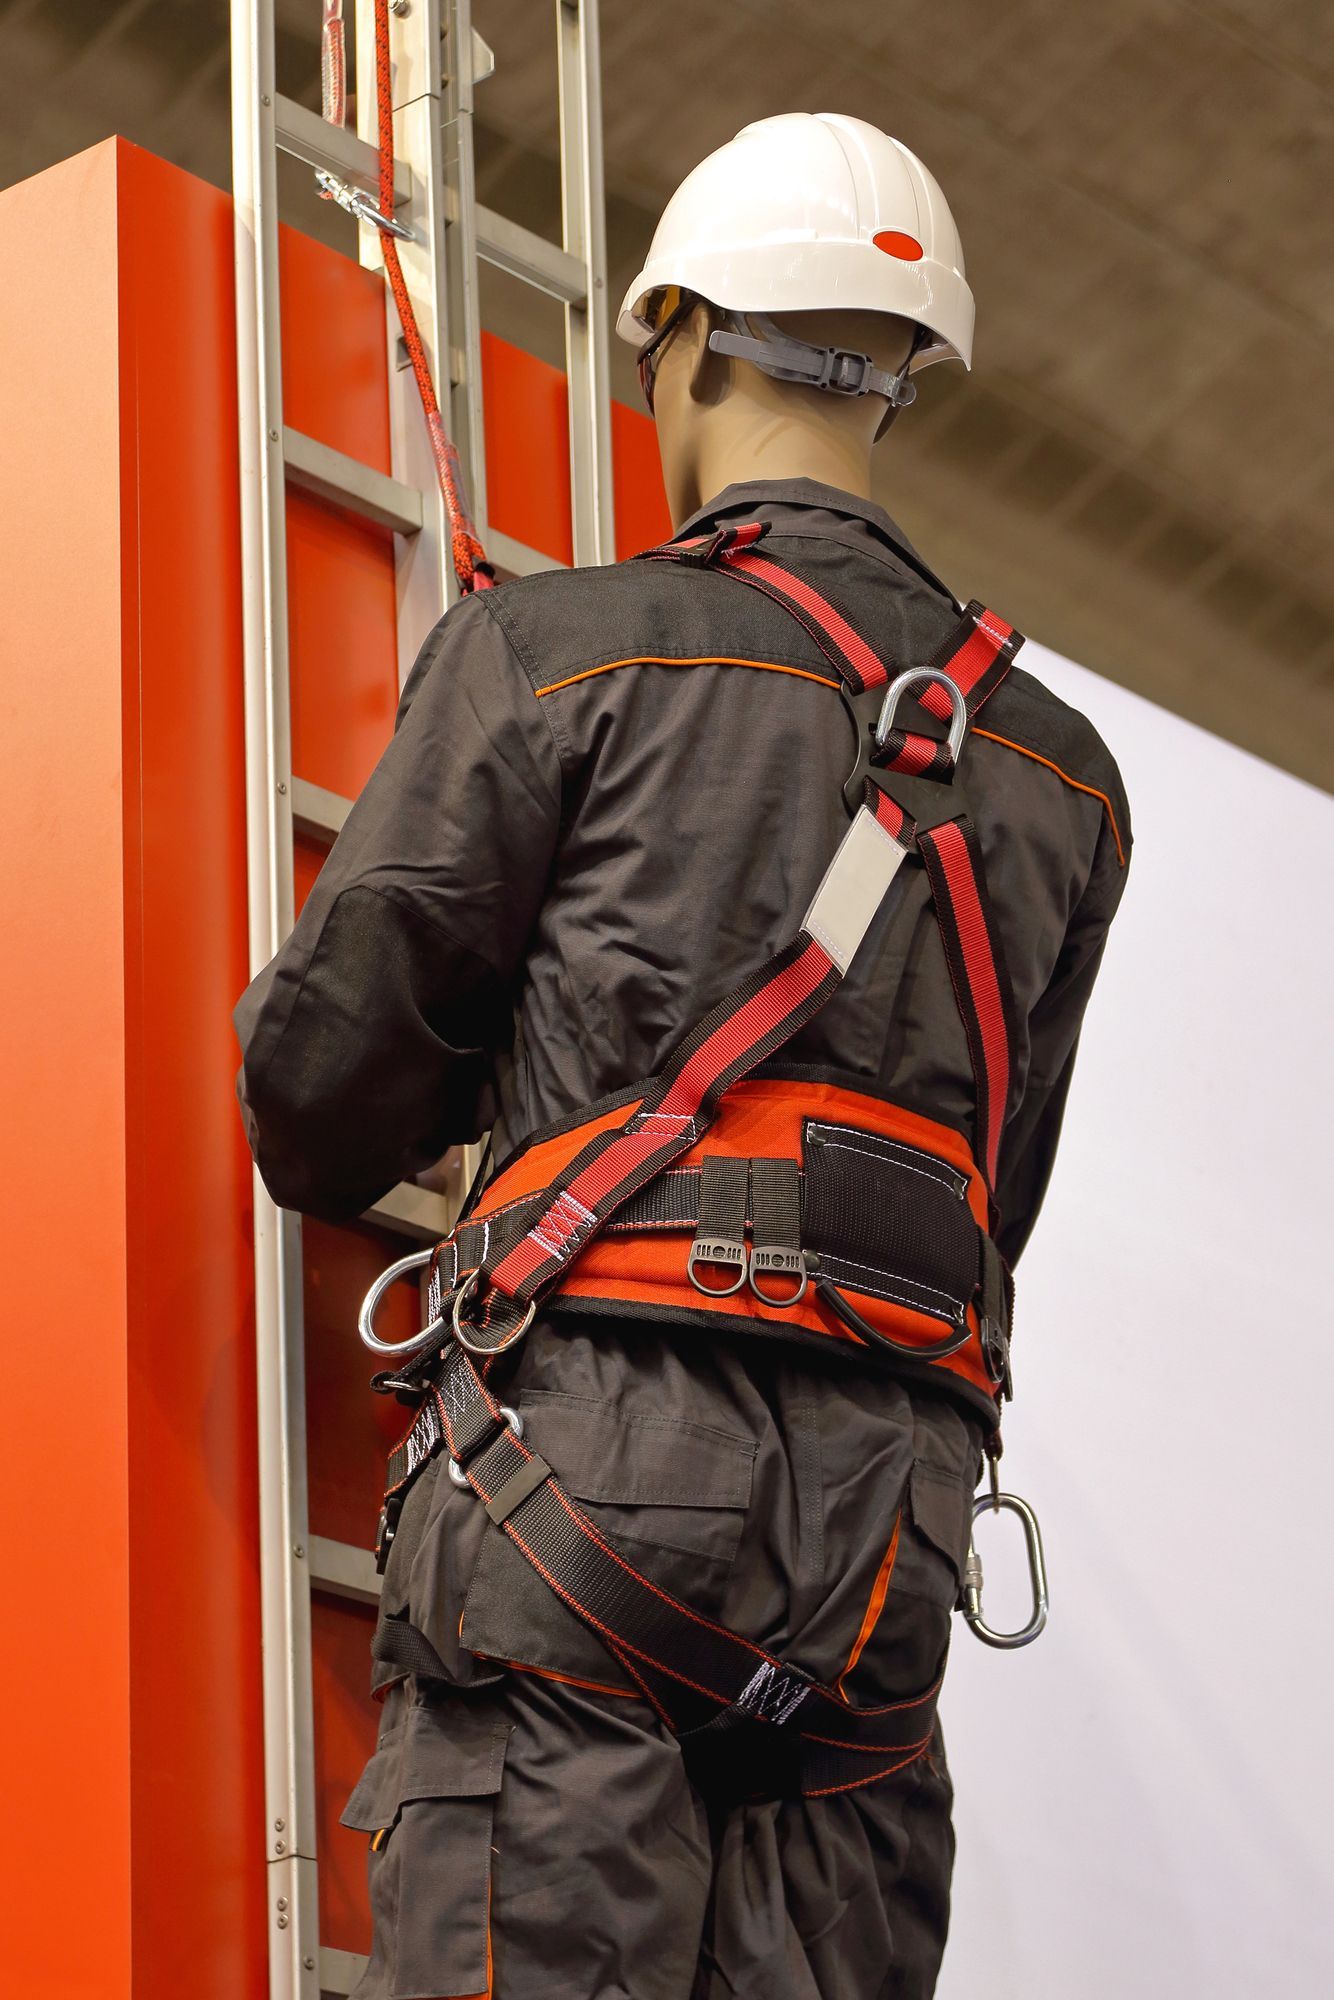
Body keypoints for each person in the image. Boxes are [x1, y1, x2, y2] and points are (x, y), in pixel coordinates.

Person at [235, 112, 1130, 2000]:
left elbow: (318, 1103)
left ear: (691, 340)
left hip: (591, 1472)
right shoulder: (1058, 774)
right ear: (898, 384)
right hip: (886, 1527)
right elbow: (993, 1197)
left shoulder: (556, 656)